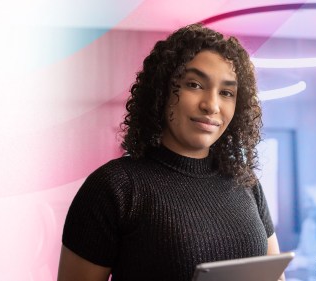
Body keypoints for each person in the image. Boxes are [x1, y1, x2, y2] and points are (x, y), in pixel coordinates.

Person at [58, 24, 282, 281]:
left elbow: (275, 276)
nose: (211, 105)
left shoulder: (246, 184)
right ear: (162, 90)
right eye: (195, 84)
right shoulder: (114, 187)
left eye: (226, 92)